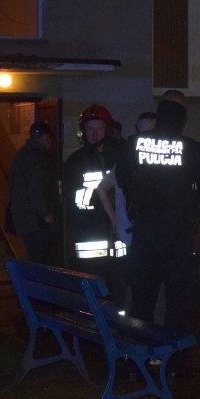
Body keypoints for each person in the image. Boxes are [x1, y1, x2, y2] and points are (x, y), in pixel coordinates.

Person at [115, 100, 200, 347]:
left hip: (144, 231)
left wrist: (136, 198)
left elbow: (122, 176)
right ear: (181, 121)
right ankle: (176, 359)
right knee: (178, 301)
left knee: (142, 300)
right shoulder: (191, 147)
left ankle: (139, 357)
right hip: (178, 233)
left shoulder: (135, 143)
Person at [95, 111, 157, 313]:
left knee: (141, 284)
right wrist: (115, 219)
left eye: (152, 130)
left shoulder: (130, 158)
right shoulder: (127, 160)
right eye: (144, 130)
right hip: (134, 236)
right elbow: (102, 188)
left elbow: (102, 189)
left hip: (143, 235)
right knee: (136, 284)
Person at [62, 104, 125, 301]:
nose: (94, 133)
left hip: (118, 235)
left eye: (98, 128)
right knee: (91, 284)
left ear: (107, 129)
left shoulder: (120, 157)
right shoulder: (75, 161)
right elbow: (70, 200)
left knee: (120, 283)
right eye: (89, 129)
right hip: (89, 232)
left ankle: (118, 325)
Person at [7, 121, 59, 264]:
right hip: (35, 220)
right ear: (44, 138)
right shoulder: (39, 158)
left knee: (35, 256)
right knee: (41, 259)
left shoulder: (21, 154)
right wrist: (46, 213)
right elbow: (36, 188)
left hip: (24, 219)